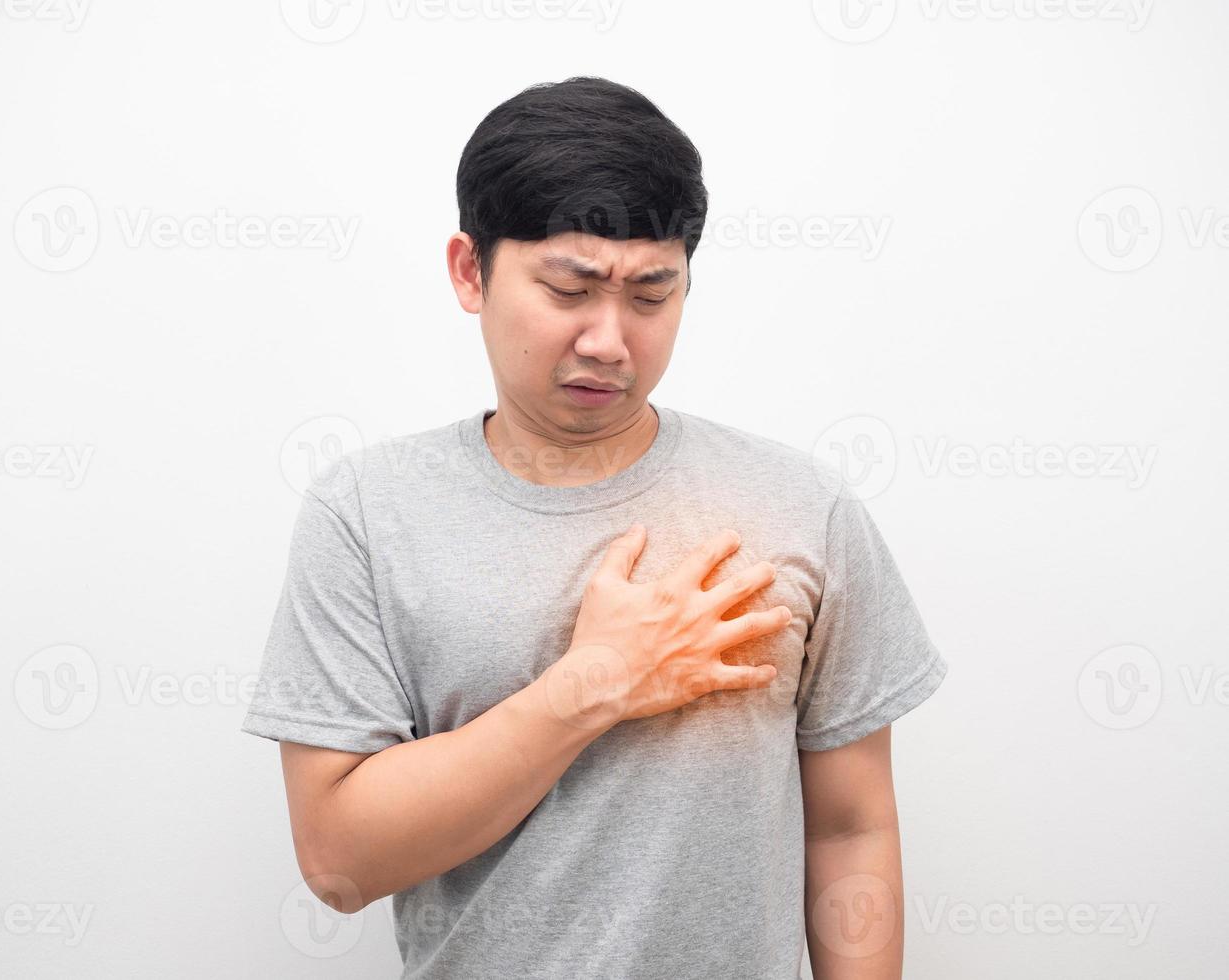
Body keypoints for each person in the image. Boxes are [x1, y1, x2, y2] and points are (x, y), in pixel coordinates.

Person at [242, 75, 948, 979]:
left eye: (652, 294)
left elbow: (851, 828)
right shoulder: (367, 514)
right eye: (569, 288)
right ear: (470, 271)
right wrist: (596, 683)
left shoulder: (800, 506)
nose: (610, 340)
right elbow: (340, 863)